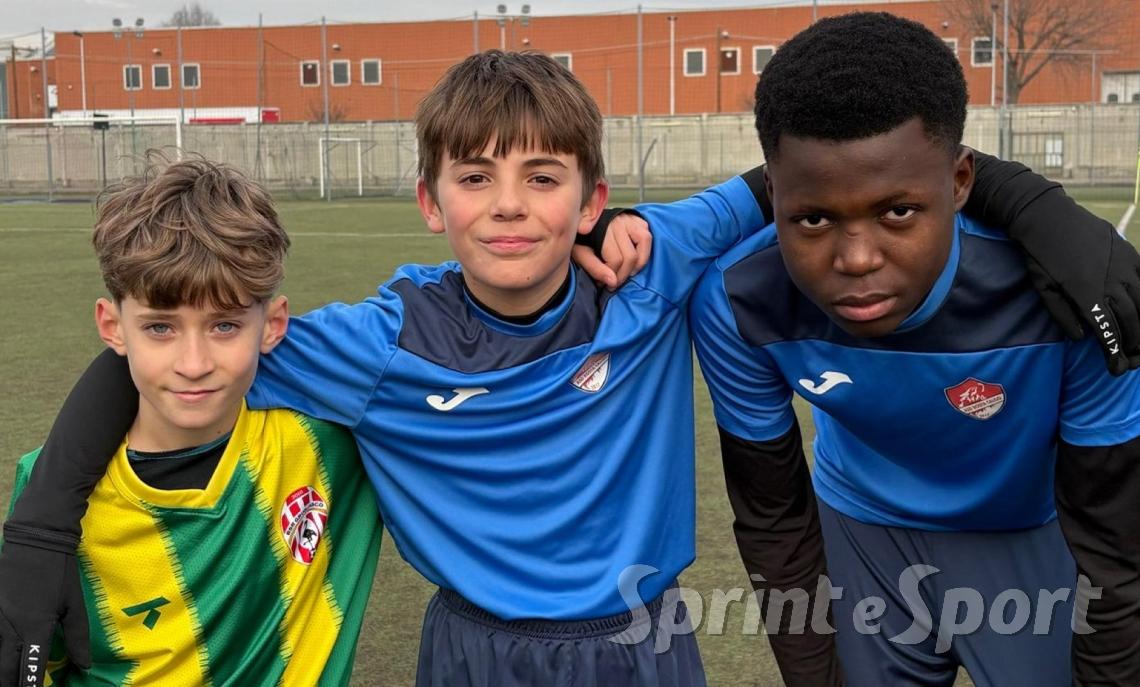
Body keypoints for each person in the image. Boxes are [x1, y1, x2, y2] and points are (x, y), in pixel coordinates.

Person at [3, 48, 1140, 687]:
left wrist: (1036, 205)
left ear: (594, 200)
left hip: (643, 641)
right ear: (429, 202)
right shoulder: (370, 346)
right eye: (476, 179)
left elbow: (790, 182)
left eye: (543, 177)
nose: (509, 207)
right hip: (473, 644)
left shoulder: (648, 271)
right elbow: (182, 346)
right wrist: (41, 536)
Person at [687, 12, 1140, 686]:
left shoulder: (1070, 291)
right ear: (772, 196)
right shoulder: (738, 302)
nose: (858, 258)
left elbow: (1114, 536)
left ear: (960, 183)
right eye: (813, 219)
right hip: (862, 533)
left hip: (1030, 532)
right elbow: (772, 514)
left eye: (897, 211)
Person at [3, 154, 383, 685]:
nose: (194, 363)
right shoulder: (50, 494)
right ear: (112, 327)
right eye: (160, 328)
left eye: (225, 325)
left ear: (273, 324)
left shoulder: (332, 441)